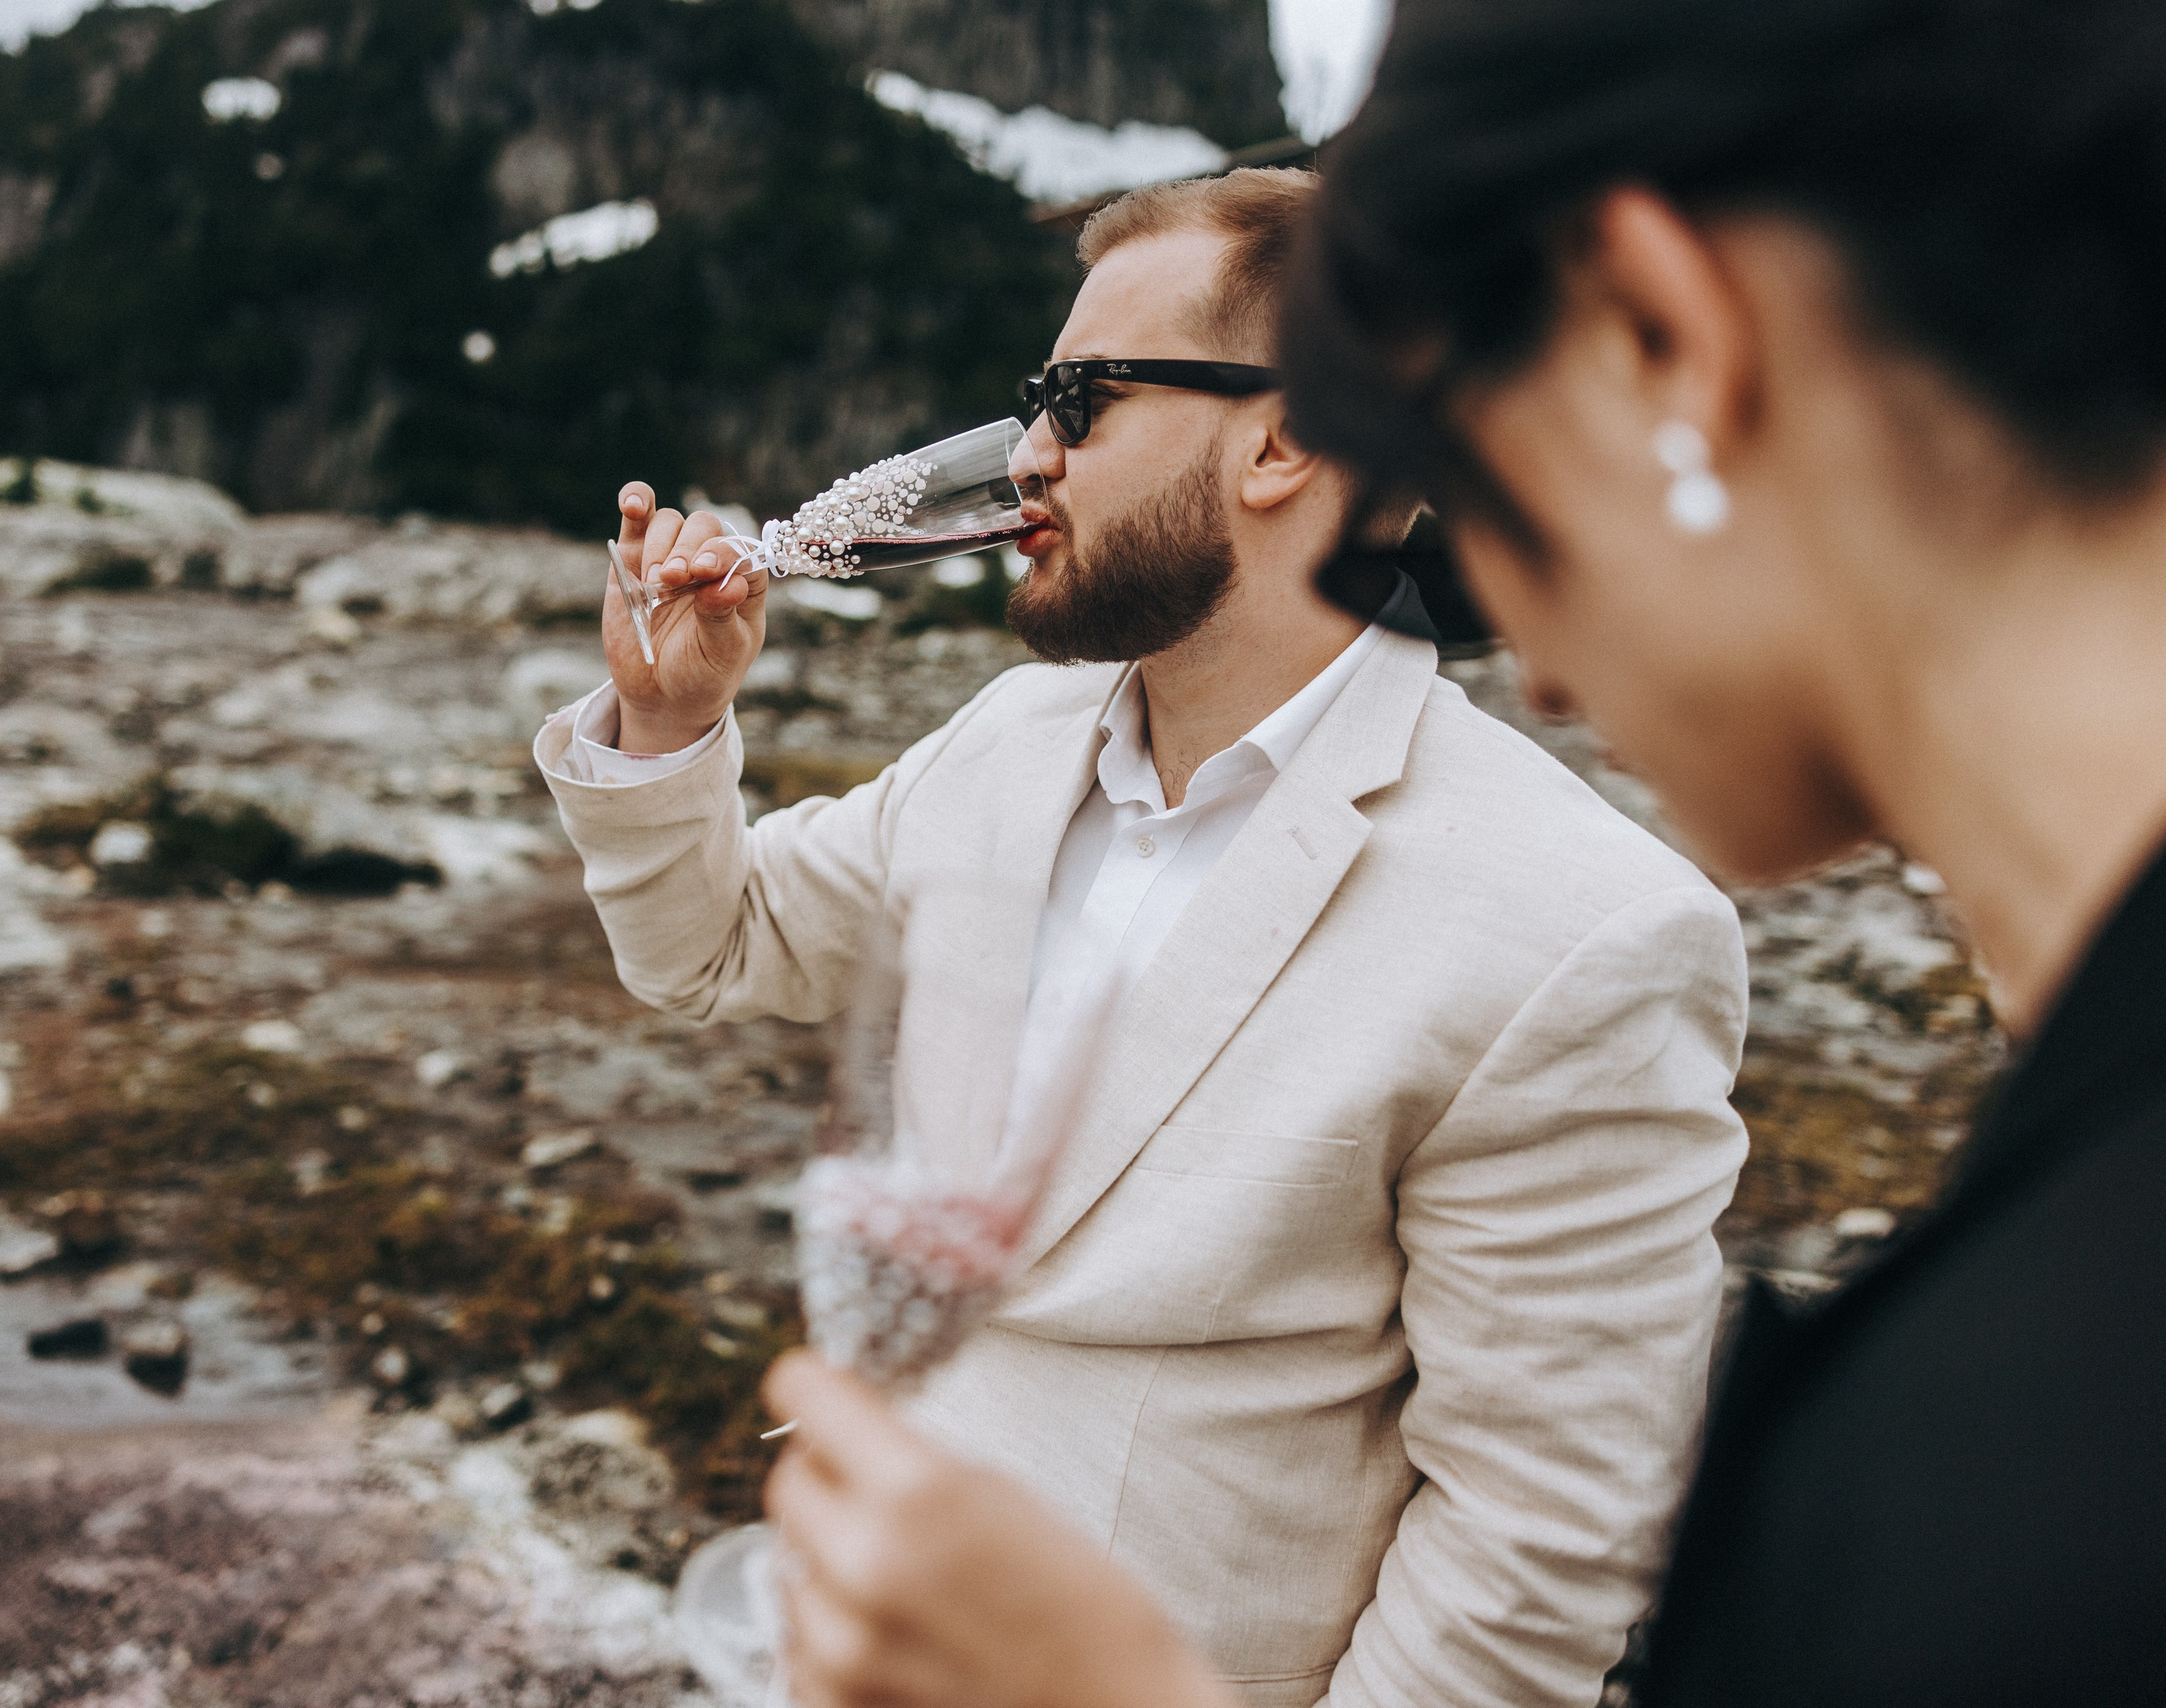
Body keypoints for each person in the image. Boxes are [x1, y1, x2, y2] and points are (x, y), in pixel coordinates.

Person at [758, 2, 2166, 1706]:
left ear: (1663, 336)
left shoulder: (2041, 1447)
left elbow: (1540, 1552)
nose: (1530, 662)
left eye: (1473, 474)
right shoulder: (2065, 1253)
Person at [542, 167, 1752, 1706]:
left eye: (1085, 399)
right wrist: (669, 722)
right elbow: (714, 949)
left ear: (1286, 440)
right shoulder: (1010, 741)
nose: (1026, 456)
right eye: (1032, 401)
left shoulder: (1584, 929)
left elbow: (1535, 1559)